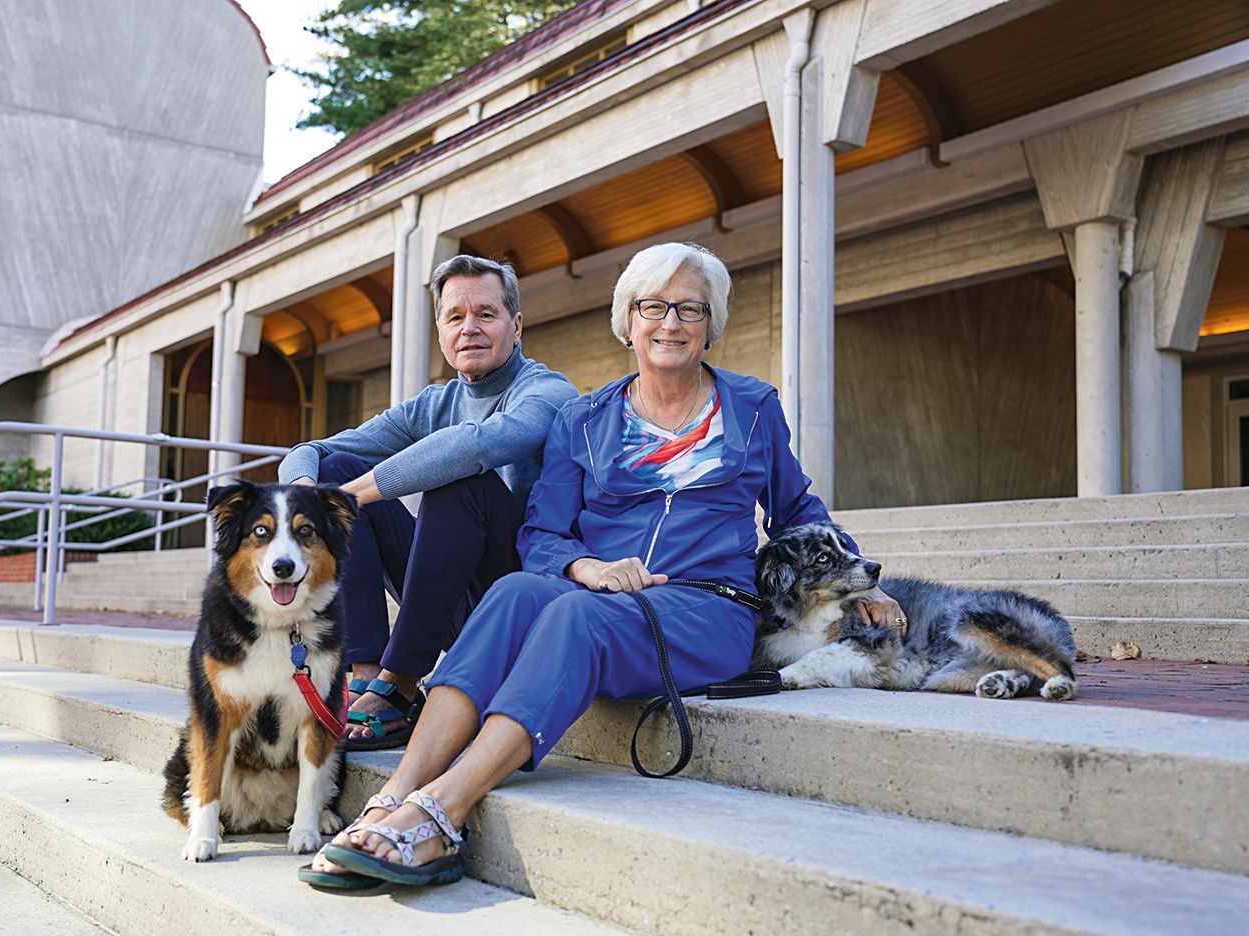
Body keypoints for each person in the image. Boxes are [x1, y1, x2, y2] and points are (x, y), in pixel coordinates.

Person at [301, 241, 901, 888]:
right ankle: (394, 796)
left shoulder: (752, 407)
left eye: (690, 309)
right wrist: (586, 567)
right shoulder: (584, 418)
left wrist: (859, 581)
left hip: (707, 608)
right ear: (628, 321)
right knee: (515, 592)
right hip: (606, 596)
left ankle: (442, 814)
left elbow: (797, 509)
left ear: (711, 325)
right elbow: (542, 533)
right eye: (653, 307)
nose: (670, 323)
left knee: (575, 618)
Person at [278, 254, 576, 750]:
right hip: (450, 595)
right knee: (336, 469)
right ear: (440, 332)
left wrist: (349, 497)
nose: (469, 328)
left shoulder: (547, 391)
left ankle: (400, 679)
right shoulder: (434, 403)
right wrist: (311, 491)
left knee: (460, 481)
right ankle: (367, 675)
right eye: (455, 317)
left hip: (519, 595)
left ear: (516, 326)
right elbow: (312, 451)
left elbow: (476, 446)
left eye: (486, 314)